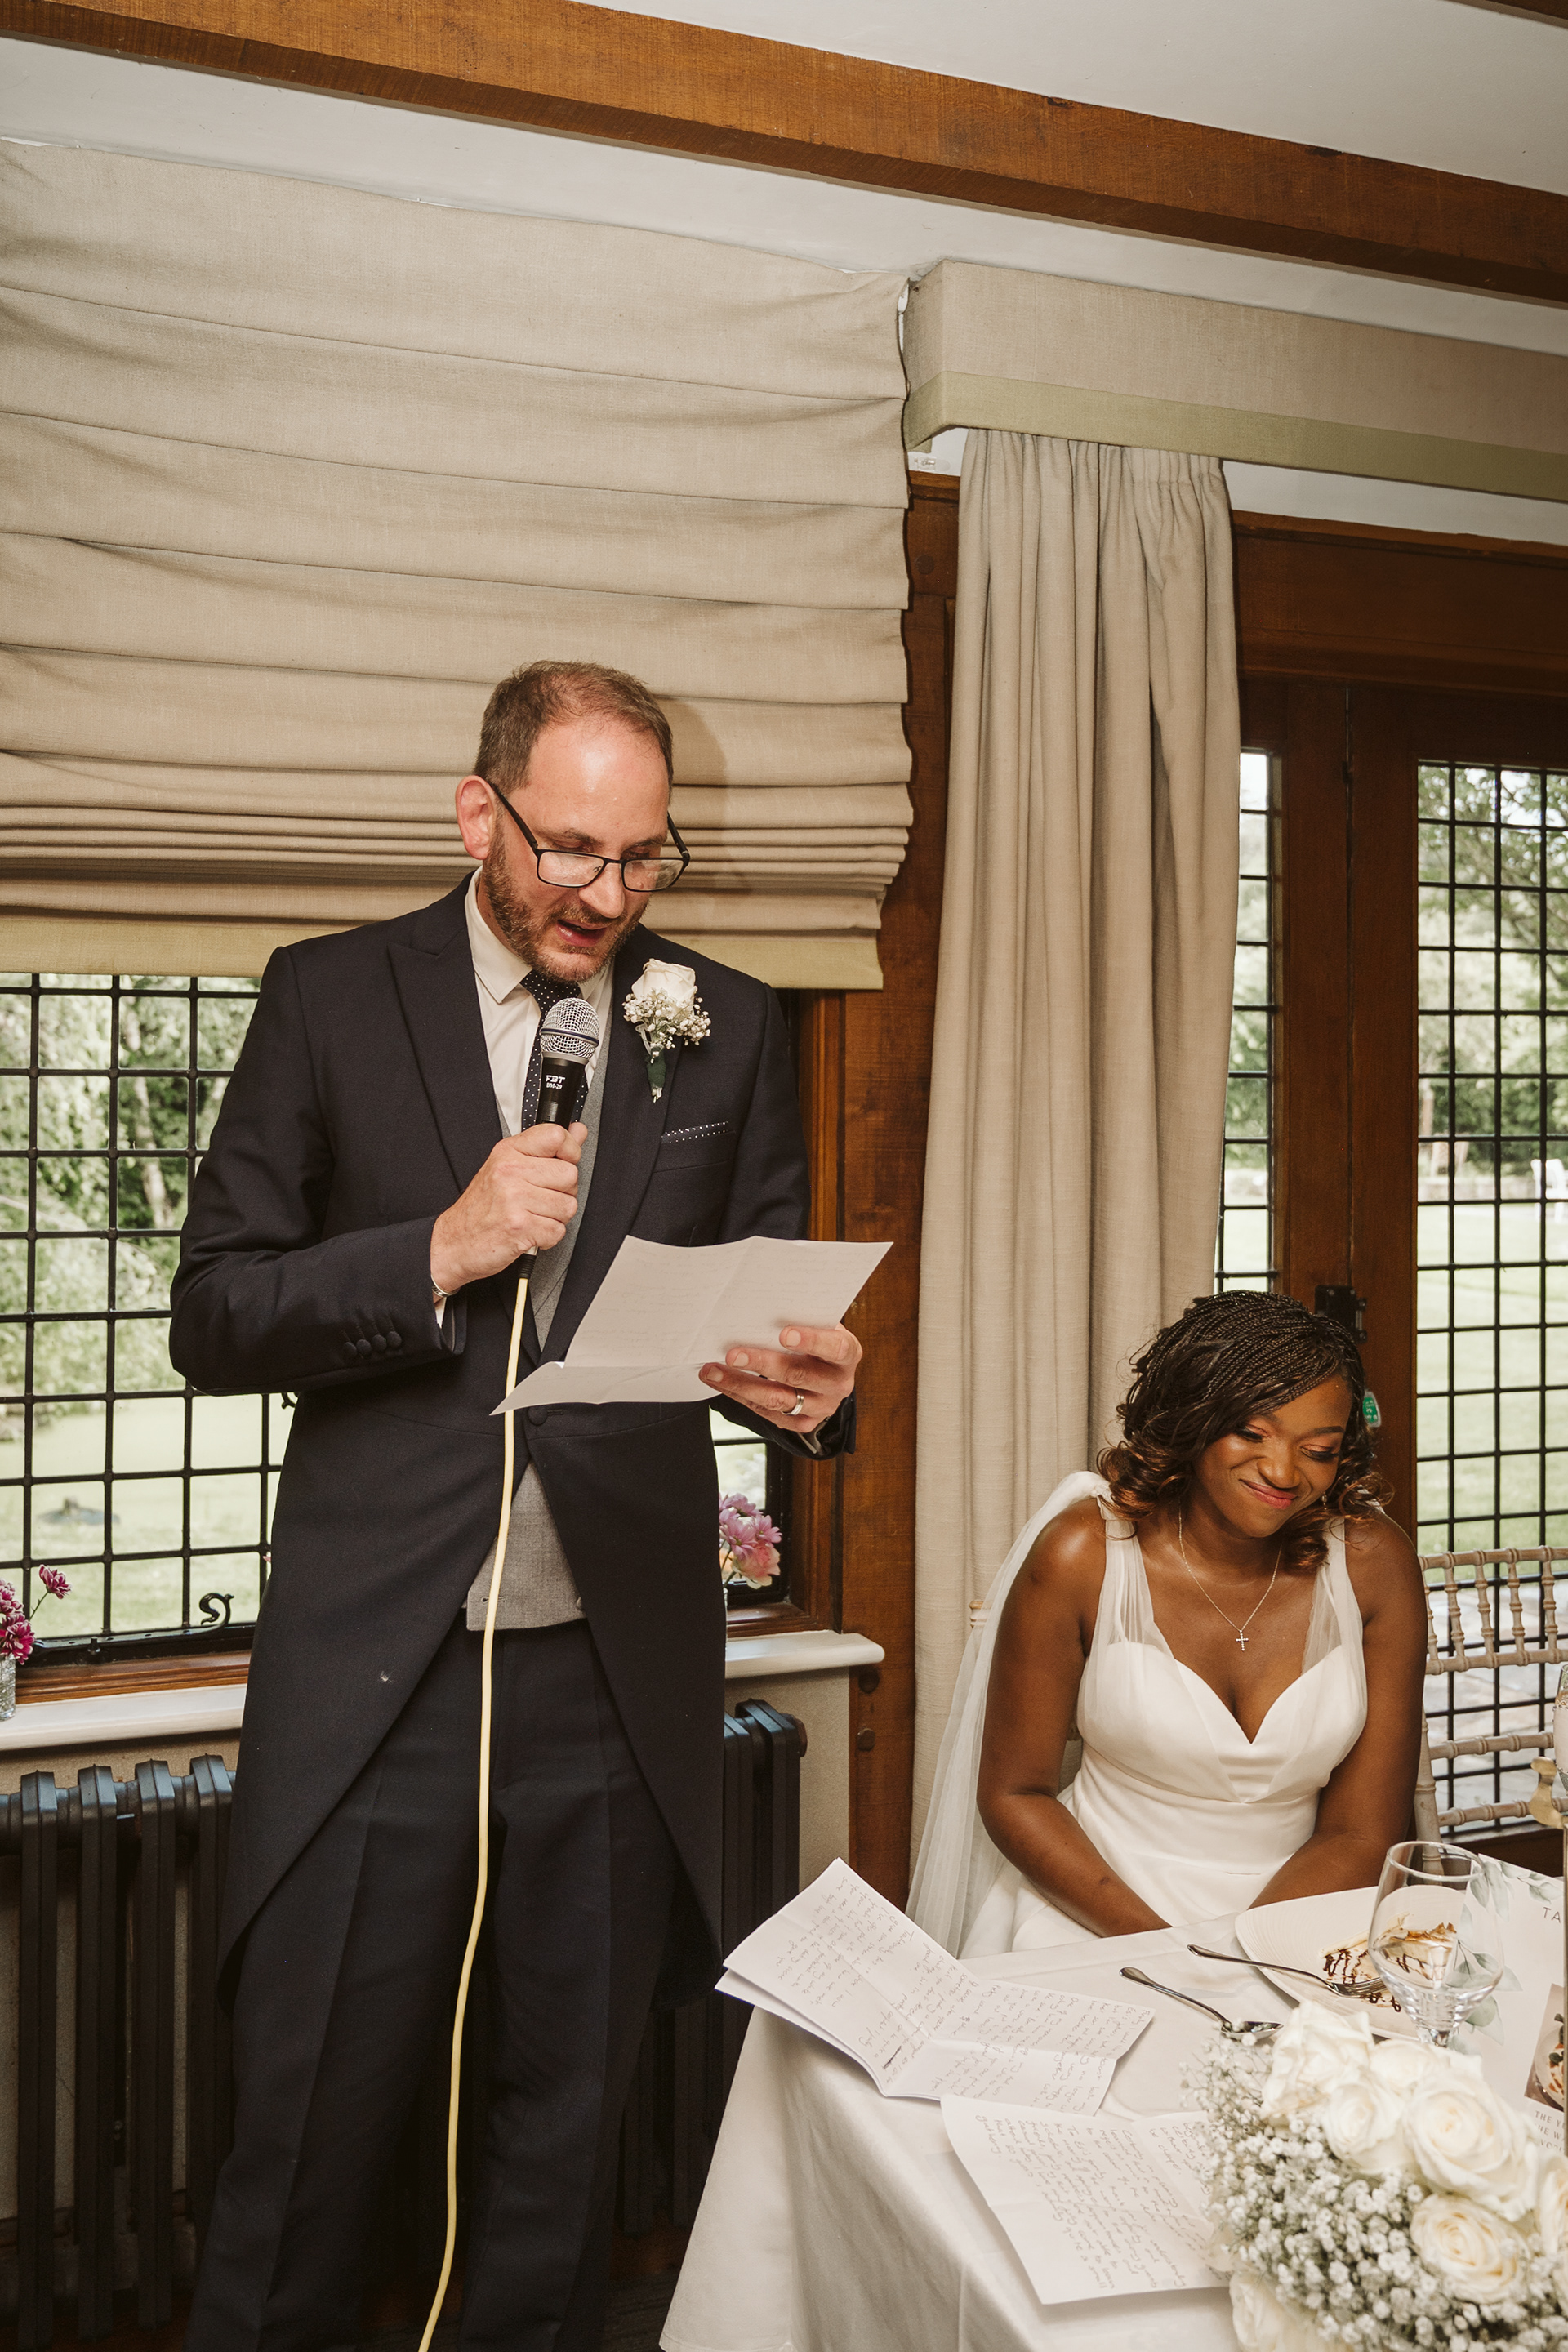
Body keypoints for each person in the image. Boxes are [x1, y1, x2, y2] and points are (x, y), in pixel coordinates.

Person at [172, 660, 861, 2352]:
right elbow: (215, 1313)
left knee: (561, 2160)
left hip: (613, 1684)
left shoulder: (724, 1017)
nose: (607, 897)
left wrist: (808, 1392)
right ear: (477, 813)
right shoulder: (329, 996)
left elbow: (759, 1306)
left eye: (642, 858)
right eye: (570, 851)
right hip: (382, 1680)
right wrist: (441, 1247)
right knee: (306, 2145)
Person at [908, 1290, 1426, 1958]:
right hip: (1097, 1911)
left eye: (1318, 1450)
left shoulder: (1374, 1566)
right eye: (1252, 1434)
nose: (1283, 1472)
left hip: (1300, 1917)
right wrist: (1166, 1953)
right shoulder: (1082, 1555)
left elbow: (1360, 1832)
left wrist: (1243, 1957)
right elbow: (1015, 1795)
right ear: (1193, 1418)